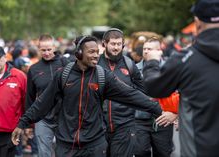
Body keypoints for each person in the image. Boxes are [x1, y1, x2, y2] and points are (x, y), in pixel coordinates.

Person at [11, 35, 163, 157]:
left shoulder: (104, 76)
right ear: (79, 54)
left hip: (95, 144)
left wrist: (158, 109)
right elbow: (42, 102)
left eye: (97, 52)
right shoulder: (63, 75)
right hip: (66, 145)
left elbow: (131, 95)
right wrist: (23, 123)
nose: (96, 55)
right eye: (91, 52)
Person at [142, 0, 219, 156]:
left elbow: (154, 88)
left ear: (197, 22)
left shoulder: (184, 59)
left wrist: (152, 62)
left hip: (199, 149)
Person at [98, 28, 145, 157]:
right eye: (113, 44)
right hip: (98, 127)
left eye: (119, 44)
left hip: (125, 125)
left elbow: (142, 92)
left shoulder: (129, 65)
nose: (116, 47)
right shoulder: (94, 64)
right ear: (104, 43)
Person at [134, 37, 178, 157]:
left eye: (150, 49)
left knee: (163, 153)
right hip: (139, 120)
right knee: (140, 152)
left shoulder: (170, 68)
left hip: (163, 120)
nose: (146, 51)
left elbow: (181, 93)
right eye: (145, 49)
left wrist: (176, 114)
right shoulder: (134, 69)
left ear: (159, 50)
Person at [25, 34, 68, 157]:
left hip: (64, 117)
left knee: (64, 152)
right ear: (39, 49)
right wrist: (28, 124)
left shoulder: (65, 63)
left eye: (49, 49)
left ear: (54, 47)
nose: (47, 53)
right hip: (42, 118)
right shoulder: (33, 69)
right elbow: (30, 97)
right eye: (43, 50)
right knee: (44, 153)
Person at [0, 45, 27, 157]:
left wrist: (27, 126)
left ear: (5, 58)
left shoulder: (19, 76)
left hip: (9, 133)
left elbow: (26, 102)